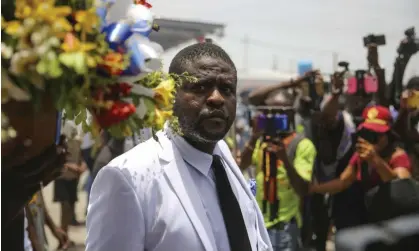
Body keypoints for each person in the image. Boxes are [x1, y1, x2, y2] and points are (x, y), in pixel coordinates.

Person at [86, 42, 272, 251]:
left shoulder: (222, 156)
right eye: (201, 87)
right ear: (170, 95)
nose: (217, 98)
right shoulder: (128, 177)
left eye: (227, 89)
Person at [308, 106, 412, 217]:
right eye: (369, 133)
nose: (373, 138)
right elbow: (342, 182)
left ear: (388, 135)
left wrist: (376, 161)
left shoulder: (398, 156)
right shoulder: (361, 156)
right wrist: (315, 189)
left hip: (394, 217)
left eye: (378, 134)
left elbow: (401, 188)